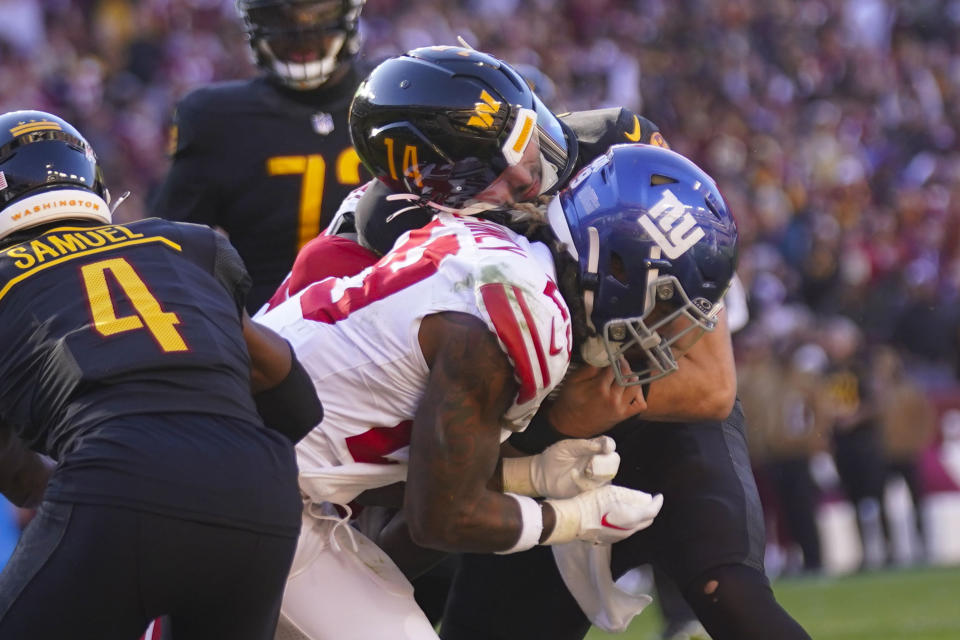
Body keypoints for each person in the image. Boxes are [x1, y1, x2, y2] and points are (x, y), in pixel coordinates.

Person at [343, 46, 811, 640]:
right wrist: (556, 422)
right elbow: (454, 400)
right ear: (431, 194)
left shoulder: (622, 144)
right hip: (529, 451)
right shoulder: (394, 223)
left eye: (523, 142)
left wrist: (569, 402)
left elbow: (709, 385)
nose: (525, 177)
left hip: (659, 430)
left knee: (734, 598)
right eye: (488, 178)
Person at [253, 140, 738, 639]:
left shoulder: (505, 258)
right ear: (615, 267)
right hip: (253, 480)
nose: (662, 330)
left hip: (274, 471)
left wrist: (529, 475)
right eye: (662, 302)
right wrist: (574, 516)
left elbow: (421, 476)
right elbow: (441, 519)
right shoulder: (521, 317)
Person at [0, 110, 323, 639]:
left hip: (118, 478)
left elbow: (18, 477)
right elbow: (295, 398)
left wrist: (113, 491)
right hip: (259, 487)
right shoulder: (190, 245)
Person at [150, 0, 369, 312]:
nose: (301, 37)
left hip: (387, 312)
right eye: (280, 19)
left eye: (318, 18)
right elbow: (167, 245)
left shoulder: (390, 92)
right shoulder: (217, 117)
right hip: (273, 327)